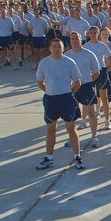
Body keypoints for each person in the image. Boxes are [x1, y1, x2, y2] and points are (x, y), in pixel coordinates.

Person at [35, 38, 84, 170]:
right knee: (51, 130)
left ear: (64, 49)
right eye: (54, 46)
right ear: (50, 48)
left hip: (66, 100)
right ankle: (49, 158)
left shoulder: (69, 62)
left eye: (59, 46)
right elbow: (40, 82)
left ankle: (77, 157)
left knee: (71, 128)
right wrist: (49, 91)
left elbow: (77, 82)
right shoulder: (44, 63)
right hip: (50, 100)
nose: (57, 49)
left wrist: (67, 93)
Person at [65, 31, 101, 148]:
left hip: (86, 86)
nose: (74, 41)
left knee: (91, 113)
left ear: (81, 39)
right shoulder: (67, 56)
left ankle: (94, 137)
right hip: (73, 87)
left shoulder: (89, 54)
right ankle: (72, 138)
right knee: (71, 115)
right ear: (70, 41)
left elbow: (96, 72)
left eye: (77, 38)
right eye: (72, 39)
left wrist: (88, 81)